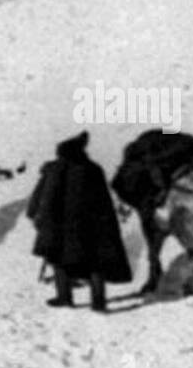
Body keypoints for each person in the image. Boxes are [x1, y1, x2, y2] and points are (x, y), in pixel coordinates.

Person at [27, 130, 132, 312]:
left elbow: (44, 197)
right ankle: (98, 302)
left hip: (61, 226)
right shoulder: (93, 169)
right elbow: (104, 201)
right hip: (93, 227)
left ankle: (64, 297)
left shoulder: (55, 168)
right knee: (95, 263)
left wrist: (37, 217)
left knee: (59, 259)